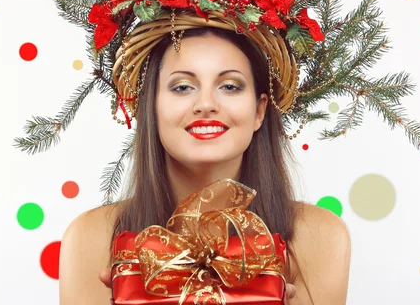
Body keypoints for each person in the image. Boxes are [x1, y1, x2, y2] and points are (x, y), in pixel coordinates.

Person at [58, 24, 351, 304]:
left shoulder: (319, 237)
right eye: (183, 87)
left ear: (259, 111)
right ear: (152, 107)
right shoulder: (91, 239)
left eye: (230, 86)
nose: (206, 104)